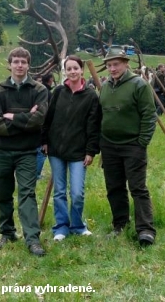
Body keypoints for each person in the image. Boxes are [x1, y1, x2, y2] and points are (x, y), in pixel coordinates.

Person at [0, 47, 48, 257]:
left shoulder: (39, 90)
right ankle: (7, 233)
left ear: (28, 65)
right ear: (10, 64)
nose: (20, 65)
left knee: (27, 194)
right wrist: (25, 118)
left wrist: (12, 117)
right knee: (3, 193)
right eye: (16, 62)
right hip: (2, 152)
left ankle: (32, 239)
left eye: (23, 62)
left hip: (27, 152)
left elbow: (38, 120)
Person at [98, 46, 157, 247]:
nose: (112, 69)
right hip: (109, 146)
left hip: (133, 146)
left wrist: (142, 142)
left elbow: (149, 115)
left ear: (125, 64)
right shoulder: (105, 87)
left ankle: (145, 230)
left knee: (138, 188)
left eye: (116, 64)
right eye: (109, 65)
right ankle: (120, 225)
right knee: (114, 188)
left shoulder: (139, 85)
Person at [41, 55, 100, 241]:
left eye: (76, 68)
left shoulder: (90, 96)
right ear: (65, 71)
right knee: (59, 191)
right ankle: (61, 227)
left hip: (78, 153)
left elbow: (93, 125)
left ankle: (77, 225)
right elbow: (48, 119)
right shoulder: (58, 92)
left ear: (81, 70)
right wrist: (44, 141)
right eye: (69, 68)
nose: (73, 71)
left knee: (77, 193)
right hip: (56, 150)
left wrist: (91, 151)